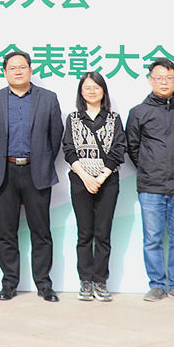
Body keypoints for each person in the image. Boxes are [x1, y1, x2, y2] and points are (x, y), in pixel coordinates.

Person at [0, 50, 64, 302]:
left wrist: (42, 160)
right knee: (6, 232)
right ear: (5, 72)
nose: (18, 71)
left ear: (31, 70)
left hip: (37, 171)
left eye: (22, 67)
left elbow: (56, 136)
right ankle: (9, 283)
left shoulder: (48, 98)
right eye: (12, 68)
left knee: (41, 231)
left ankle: (44, 284)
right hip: (5, 172)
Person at [126, 58, 174, 303]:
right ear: (150, 80)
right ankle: (157, 285)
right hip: (151, 187)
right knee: (152, 240)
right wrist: (149, 167)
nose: (164, 82)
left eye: (168, 78)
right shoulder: (139, 112)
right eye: (159, 78)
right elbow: (132, 147)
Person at [61, 72, 126, 302]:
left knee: (103, 233)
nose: (91, 91)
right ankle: (85, 281)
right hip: (80, 181)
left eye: (96, 87)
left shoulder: (114, 118)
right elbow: (68, 149)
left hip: (108, 182)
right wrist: (86, 177)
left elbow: (119, 149)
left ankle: (101, 281)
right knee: (84, 233)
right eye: (87, 88)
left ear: (103, 91)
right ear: (81, 92)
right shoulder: (73, 118)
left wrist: (101, 177)